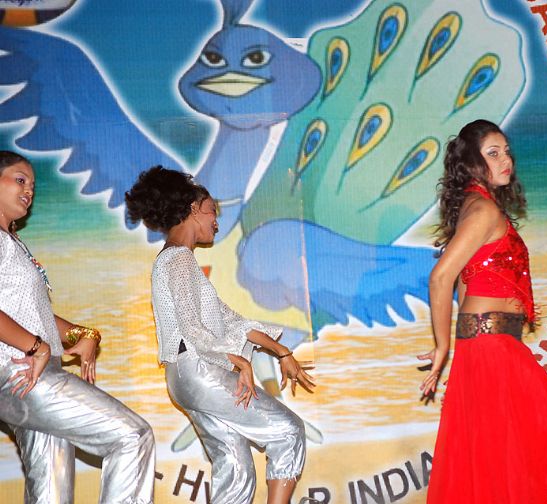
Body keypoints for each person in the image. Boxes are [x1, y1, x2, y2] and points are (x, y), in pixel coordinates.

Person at [420, 120, 547, 503]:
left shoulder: (477, 206)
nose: (506, 160)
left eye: (506, 151)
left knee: (505, 456)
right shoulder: (484, 210)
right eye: (493, 153)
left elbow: (466, 281)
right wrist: (443, 348)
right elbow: (441, 278)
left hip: (489, 346)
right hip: (491, 347)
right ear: (472, 164)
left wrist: (462, 352)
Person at [125, 166, 314, 504]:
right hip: (199, 370)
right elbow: (193, 328)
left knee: (235, 465)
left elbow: (231, 321)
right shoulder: (179, 259)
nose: (217, 221)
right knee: (288, 432)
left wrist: (281, 351)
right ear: (192, 208)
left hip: (184, 378)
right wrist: (239, 361)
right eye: (212, 210)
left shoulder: (175, 260)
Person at [0, 151, 155, 503]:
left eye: (33, 185)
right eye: (20, 180)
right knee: (132, 436)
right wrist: (36, 347)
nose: (29, 190)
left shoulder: (13, 244)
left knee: (51, 485)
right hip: (20, 369)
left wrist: (81, 335)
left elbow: (32, 314)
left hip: (26, 371)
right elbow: (29, 333)